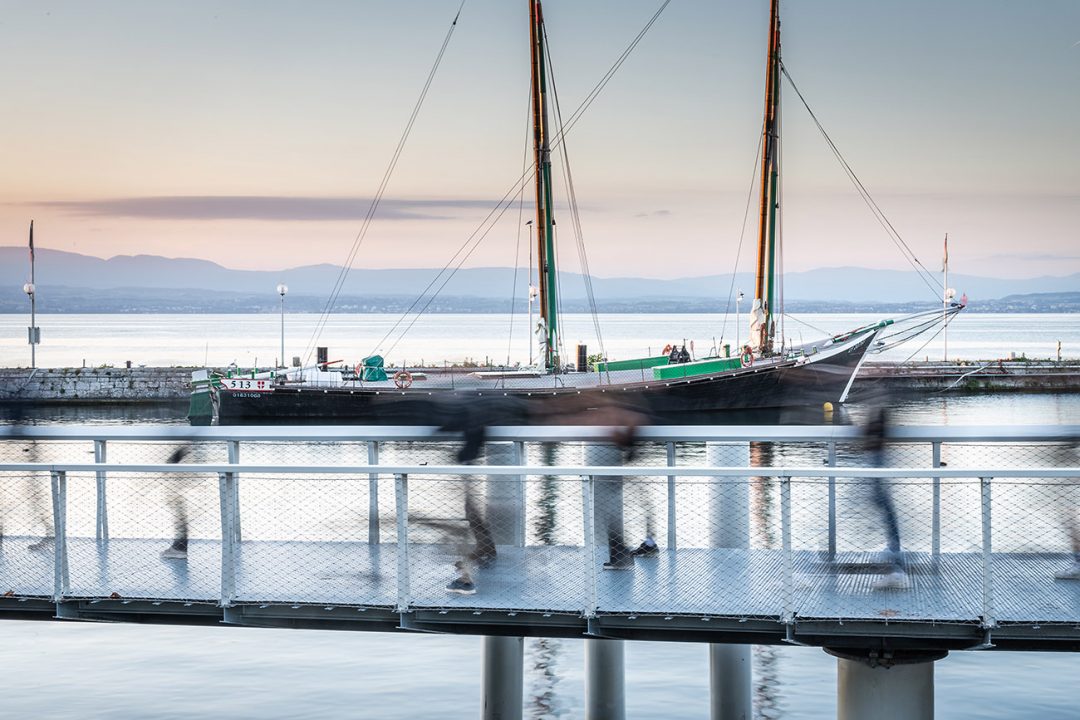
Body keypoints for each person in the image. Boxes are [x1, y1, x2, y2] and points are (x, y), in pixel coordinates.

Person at [863, 406, 908, 590]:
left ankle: (896, 565)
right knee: (882, 503)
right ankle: (895, 559)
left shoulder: (877, 399)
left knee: (882, 503)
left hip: (875, 453)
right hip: (875, 452)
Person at [161, 446, 192, 560]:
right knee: (179, 510)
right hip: (182, 477)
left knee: (179, 510)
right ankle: (180, 546)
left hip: (180, 479)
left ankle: (180, 547)